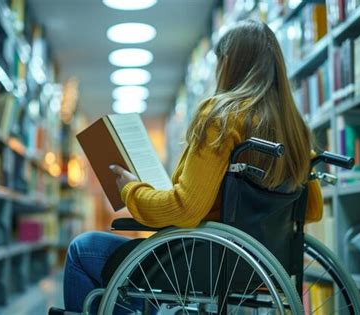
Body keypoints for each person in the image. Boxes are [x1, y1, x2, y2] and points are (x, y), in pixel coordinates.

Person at [63, 19, 323, 312]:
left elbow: (186, 209)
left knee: (83, 249)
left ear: (228, 64)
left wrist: (131, 191)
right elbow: (312, 210)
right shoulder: (296, 132)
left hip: (204, 261)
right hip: (263, 264)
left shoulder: (222, 117)